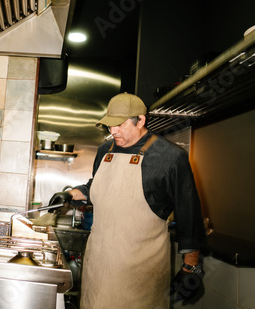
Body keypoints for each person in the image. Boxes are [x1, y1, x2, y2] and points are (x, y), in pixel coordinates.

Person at [49, 92, 206, 309]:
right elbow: (95, 188)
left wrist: (191, 268)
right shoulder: (106, 150)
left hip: (140, 273)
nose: (113, 131)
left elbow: (189, 215)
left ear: (140, 120)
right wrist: (70, 194)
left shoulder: (170, 157)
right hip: (98, 267)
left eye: (120, 125)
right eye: (109, 125)